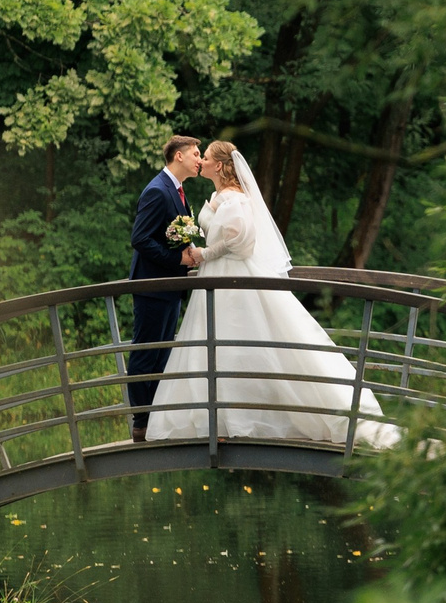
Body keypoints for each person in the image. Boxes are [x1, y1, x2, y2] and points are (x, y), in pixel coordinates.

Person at [146, 141, 400, 449]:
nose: (202, 161)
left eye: (207, 157)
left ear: (221, 165)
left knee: (245, 340)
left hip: (233, 276)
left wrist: (204, 254)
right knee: (216, 343)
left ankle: (306, 410)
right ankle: (220, 417)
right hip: (214, 277)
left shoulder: (237, 200)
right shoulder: (216, 197)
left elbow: (243, 242)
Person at [126, 134, 205, 442]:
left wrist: (190, 254)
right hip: (152, 286)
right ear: (179, 156)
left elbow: (173, 236)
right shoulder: (157, 191)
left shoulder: (178, 191)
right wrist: (177, 259)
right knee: (146, 353)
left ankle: (156, 419)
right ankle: (141, 421)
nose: (200, 159)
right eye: (196, 153)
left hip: (170, 287)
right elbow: (140, 239)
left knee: (162, 355)